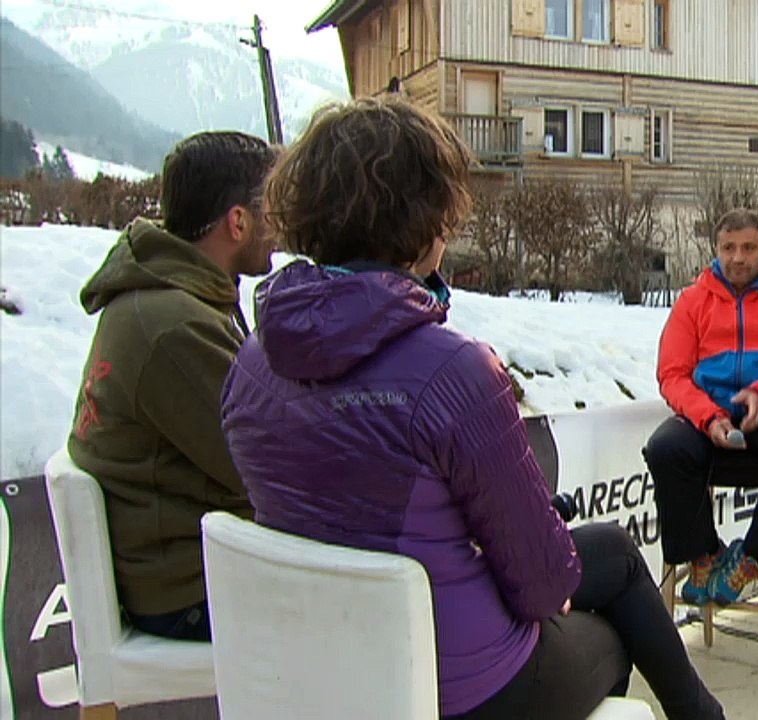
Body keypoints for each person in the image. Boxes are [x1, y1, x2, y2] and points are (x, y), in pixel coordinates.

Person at [220, 97, 723, 720]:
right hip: (459, 688)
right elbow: (544, 586)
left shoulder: (250, 360)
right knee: (612, 628)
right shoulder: (453, 372)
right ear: (429, 220)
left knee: (610, 552)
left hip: (320, 673)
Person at [66, 131, 276, 641]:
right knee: (377, 605)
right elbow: (267, 467)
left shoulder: (169, 294)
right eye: (273, 209)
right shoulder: (173, 325)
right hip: (186, 588)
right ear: (238, 221)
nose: (281, 225)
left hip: (174, 563)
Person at [642, 208, 758, 607]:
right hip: (708, 415)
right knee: (664, 448)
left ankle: (750, 557)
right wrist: (708, 416)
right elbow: (672, 374)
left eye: (748, 248)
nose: (738, 257)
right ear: (715, 249)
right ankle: (705, 554)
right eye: (728, 248)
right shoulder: (692, 301)